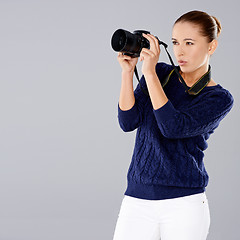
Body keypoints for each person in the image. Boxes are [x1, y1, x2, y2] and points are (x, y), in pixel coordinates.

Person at [112, 10, 234, 240]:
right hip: (137, 200)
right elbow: (128, 122)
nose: (180, 51)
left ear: (211, 47)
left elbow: (173, 127)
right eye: (176, 42)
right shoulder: (159, 73)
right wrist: (128, 73)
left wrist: (149, 73)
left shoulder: (218, 98)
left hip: (183, 205)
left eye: (189, 43)